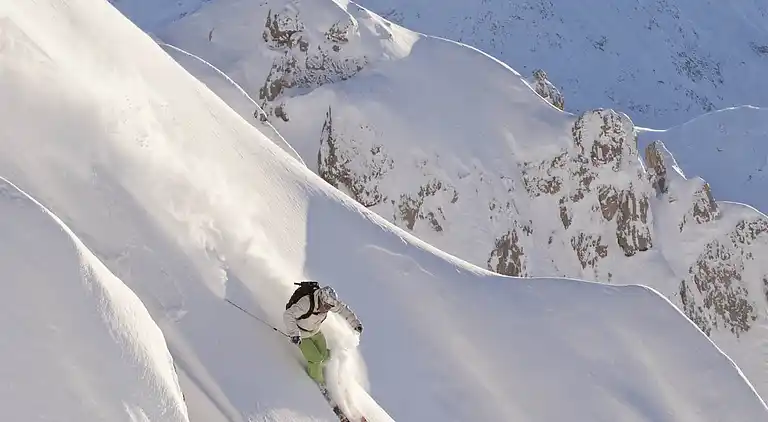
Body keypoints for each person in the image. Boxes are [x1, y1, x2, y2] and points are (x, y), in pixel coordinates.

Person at [283, 282, 363, 389]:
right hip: (302, 334)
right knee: (316, 359)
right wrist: (294, 334)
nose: (326, 309)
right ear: (320, 299)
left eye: (329, 307)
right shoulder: (306, 303)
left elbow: (343, 309)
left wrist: (355, 324)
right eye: (325, 306)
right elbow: (288, 314)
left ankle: (326, 371)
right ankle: (319, 383)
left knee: (325, 356)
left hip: (315, 331)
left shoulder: (329, 303)